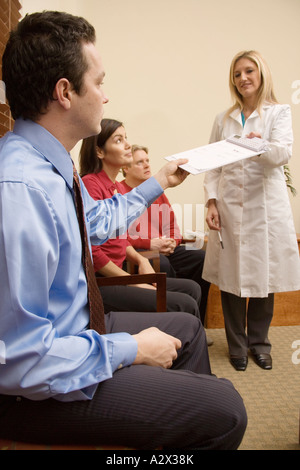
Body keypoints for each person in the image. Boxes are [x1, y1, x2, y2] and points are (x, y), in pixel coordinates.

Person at [0, 11, 247, 449]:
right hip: (34, 389)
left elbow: (93, 222)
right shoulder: (19, 189)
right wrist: (128, 349)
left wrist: (161, 181)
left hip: (76, 330)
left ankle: (167, 422)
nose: (106, 96)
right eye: (99, 83)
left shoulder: (50, 166)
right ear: (64, 93)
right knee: (225, 411)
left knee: (186, 331)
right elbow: (20, 360)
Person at [203, 50, 300, 371]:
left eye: (249, 71)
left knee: (262, 276)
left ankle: (260, 344)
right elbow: (212, 165)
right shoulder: (223, 118)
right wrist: (211, 201)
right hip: (229, 205)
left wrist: (259, 144)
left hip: (264, 208)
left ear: (261, 74)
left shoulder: (278, 112)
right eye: (236, 74)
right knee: (230, 279)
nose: (243, 78)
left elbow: (282, 154)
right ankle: (237, 346)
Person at [79, 119, 201, 319]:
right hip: (102, 281)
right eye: (119, 140)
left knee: (192, 289)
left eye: (126, 138)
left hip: (119, 274)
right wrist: (130, 280)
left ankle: (189, 339)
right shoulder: (91, 184)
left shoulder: (116, 188)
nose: (128, 145)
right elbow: (93, 253)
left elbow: (120, 238)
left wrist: (138, 260)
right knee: (183, 303)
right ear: (99, 151)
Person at [121, 145, 211, 326]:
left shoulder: (157, 192)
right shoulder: (119, 192)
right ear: (126, 168)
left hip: (162, 248)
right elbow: (120, 237)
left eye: (147, 161)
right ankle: (177, 319)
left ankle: (196, 321)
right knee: (161, 262)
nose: (147, 165)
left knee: (200, 257)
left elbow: (172, 226)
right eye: (140, 162)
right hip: (138, 251)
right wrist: (150, 244)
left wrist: (171, 241)